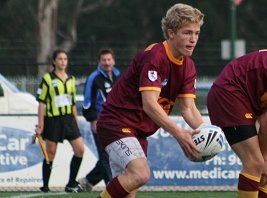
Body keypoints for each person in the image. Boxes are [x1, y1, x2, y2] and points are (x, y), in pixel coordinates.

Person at [95, 3, 205, 198]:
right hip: (117, 122)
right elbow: (150, 104)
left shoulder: (189, 66)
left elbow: (188, 109)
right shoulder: (155, 56)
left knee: (127, 192)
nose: (194, 39)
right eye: (187, 33)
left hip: (139, 132)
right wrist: (180, 134)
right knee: (141, 174)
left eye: (196, 33)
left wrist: (210, 134)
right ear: (171, 33)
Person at [207, 49, 267, 198]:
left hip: (241, 95)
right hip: (229, 93)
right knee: (257, 162)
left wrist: (266, 159)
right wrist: (264, 160)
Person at [35, 49, 85, 193]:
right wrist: (41, 125)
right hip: (53, 120)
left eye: (65, 59)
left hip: (69, 119)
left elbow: (73, 103)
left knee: (80, 149)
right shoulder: (47, 79)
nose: (63, 61)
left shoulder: (71, 79)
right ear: (54, 61)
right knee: (50, 152)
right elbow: (41, 103)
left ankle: (71, 183)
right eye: (60, 59)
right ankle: (45, 185)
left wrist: (76, 122)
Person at [78, 48, 120, 191]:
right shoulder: (94, 78)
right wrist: (93, 120)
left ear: (113, 61)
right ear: (99, 62)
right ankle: (111, 186)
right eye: (104, 60)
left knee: (113, 155)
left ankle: (88, 180)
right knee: (106, 155)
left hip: (117, 122)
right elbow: (87, 102)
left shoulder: (117, 75)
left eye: (109, 60)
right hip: (101, 122)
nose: (107, 63)